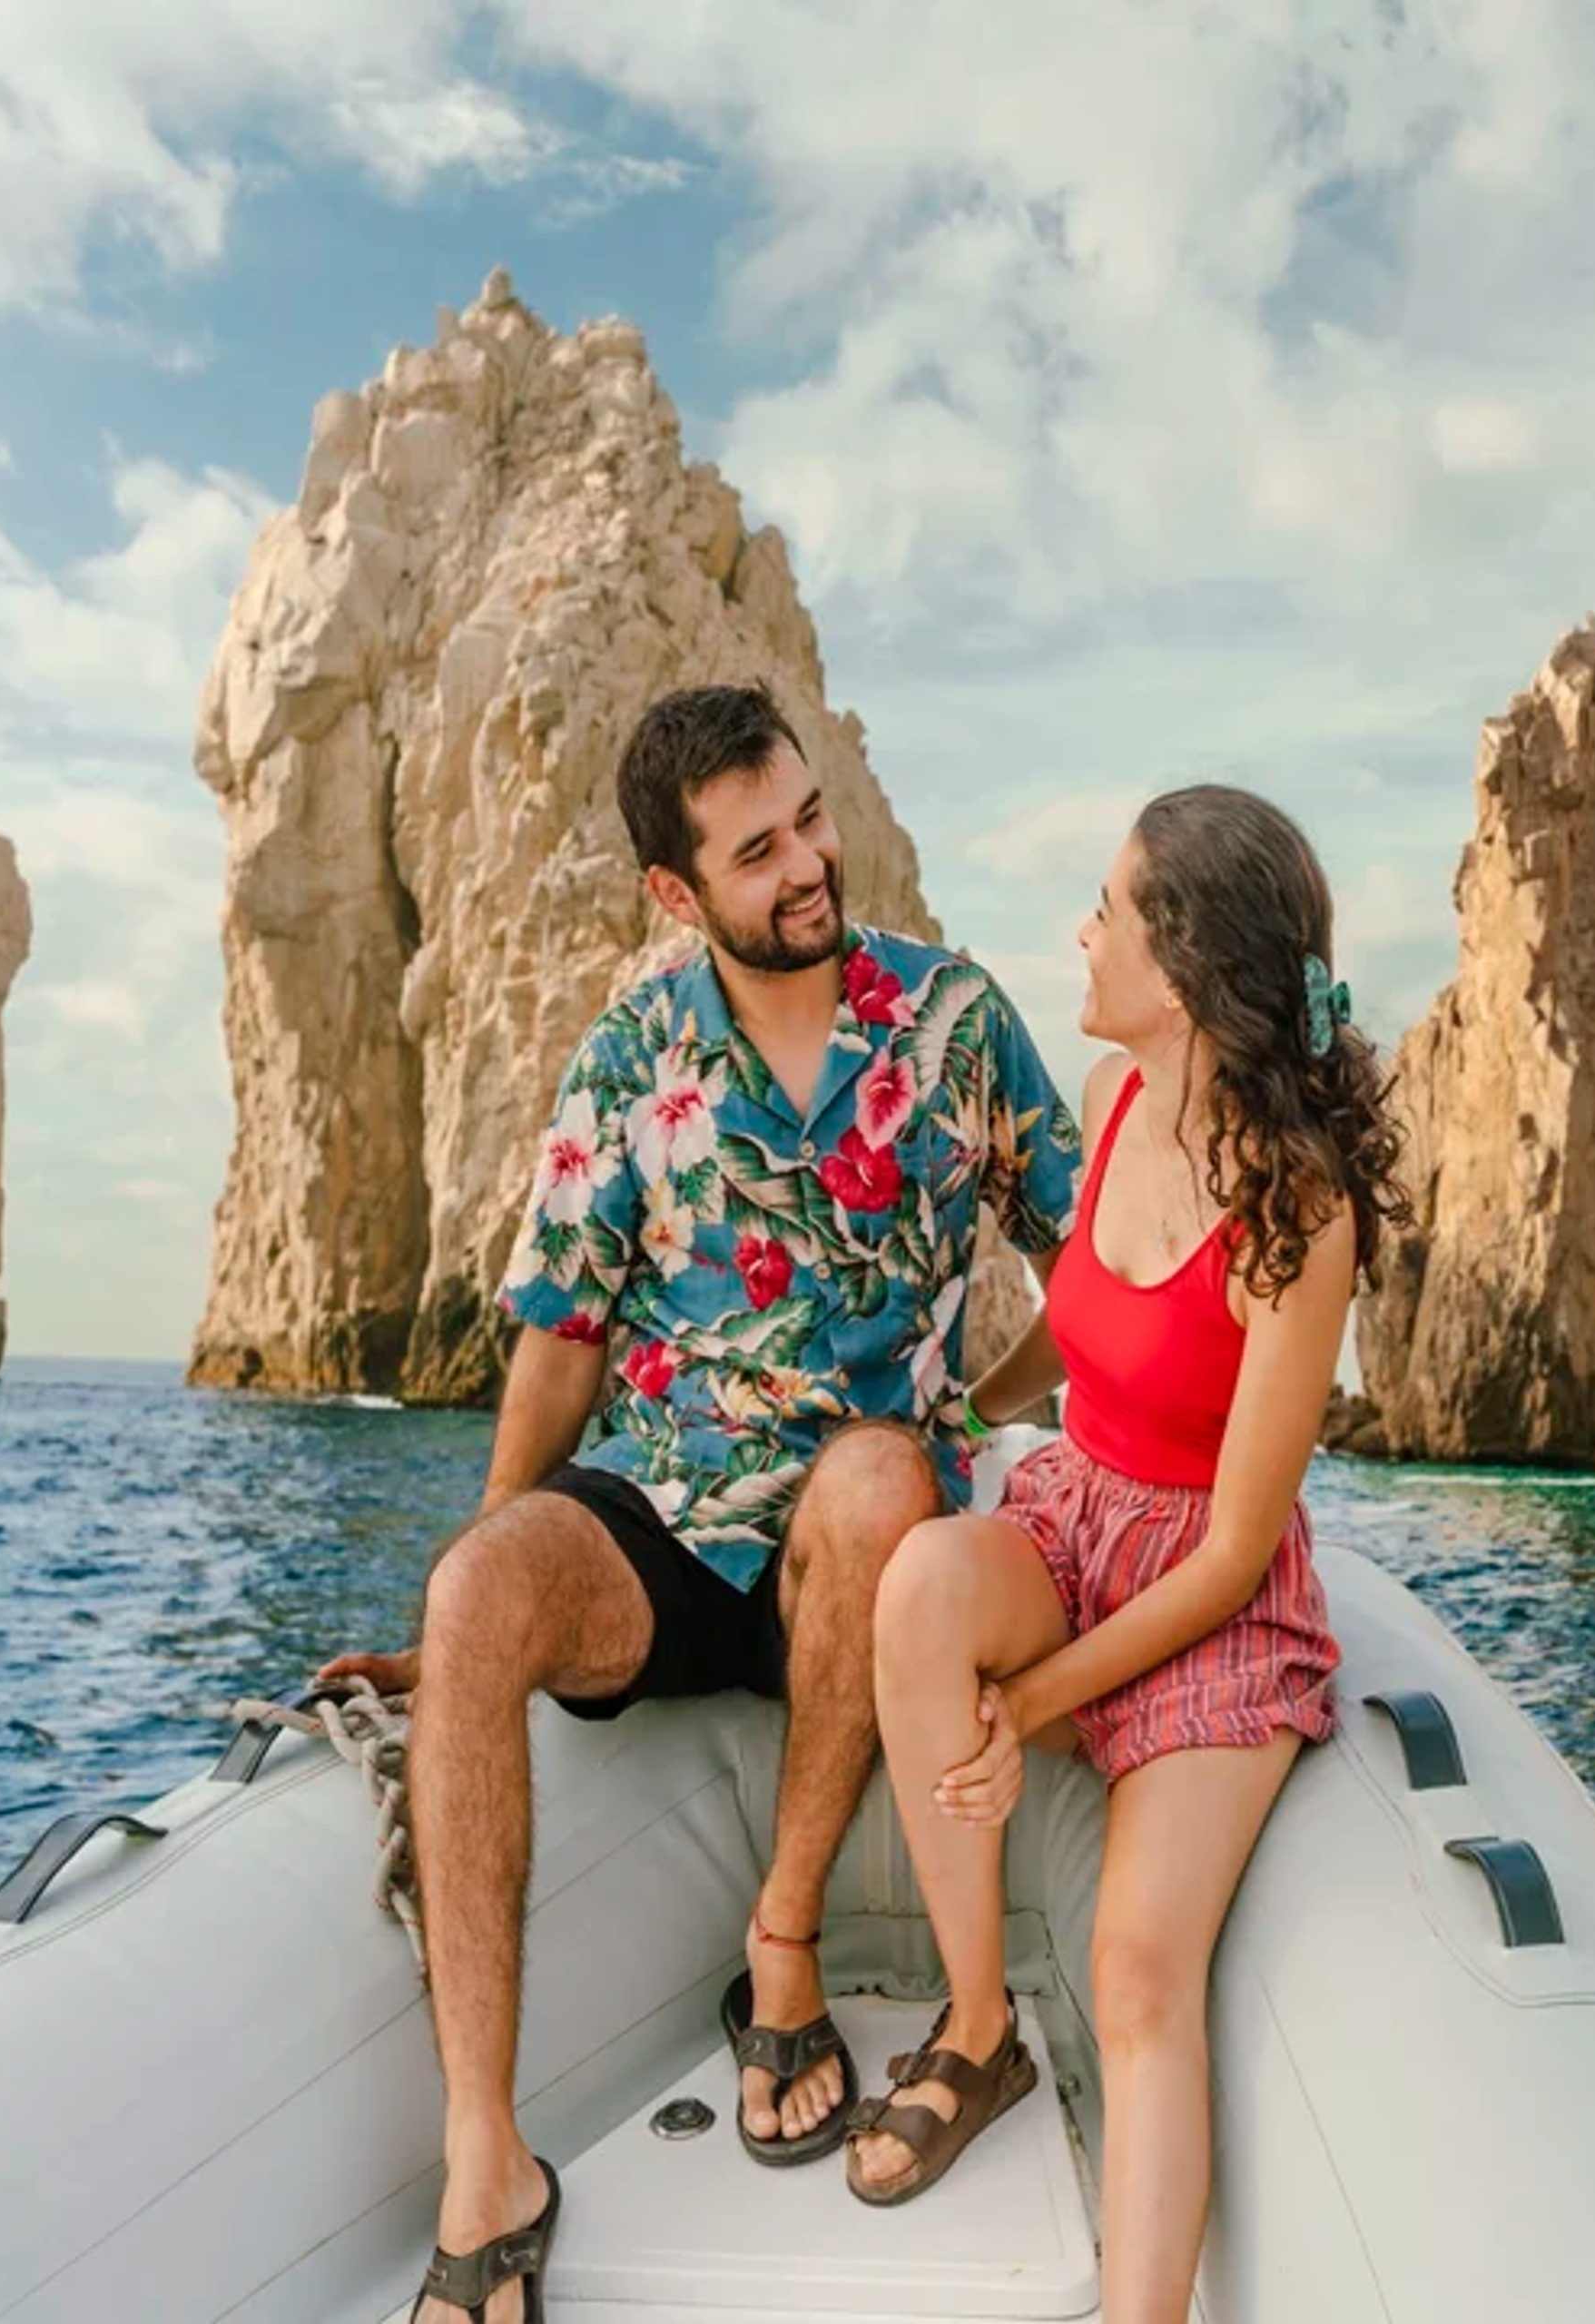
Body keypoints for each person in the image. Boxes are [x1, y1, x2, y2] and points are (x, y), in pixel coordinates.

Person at [312, 682, 1083, 2324]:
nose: (810, 861)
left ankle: (782, 1946)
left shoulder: (956, 1023)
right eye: (760, 849)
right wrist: (466, 1601)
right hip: (667, 1513)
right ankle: (486, 2167)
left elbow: (1096, 1266)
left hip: (867, 1541)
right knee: (476, 1597)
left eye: (810, 817)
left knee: (880, 1475)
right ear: (679, 893)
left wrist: (989, 1406)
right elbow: (560, 1337)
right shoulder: (631, 1057)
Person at [849, 785, 1406, 2323]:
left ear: (1180, 968)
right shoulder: (1106, 1107)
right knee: (920, 1587)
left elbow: (1232, 1554)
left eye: (1107, 908)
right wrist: (968, 1398)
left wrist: (1031, 1710)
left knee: (1142, 1972)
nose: (1081, 934)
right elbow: (1078, 1337)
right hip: (1076, 1509)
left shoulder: (1302, 1207)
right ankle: (976, 2033)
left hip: (1208, 1603)